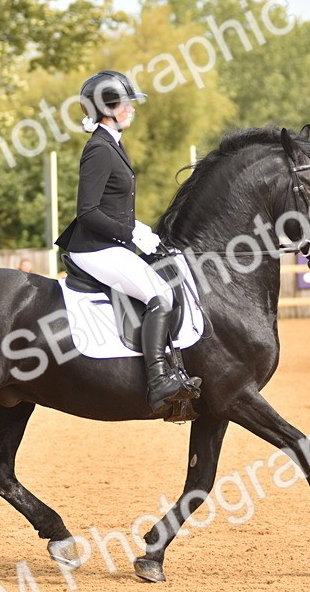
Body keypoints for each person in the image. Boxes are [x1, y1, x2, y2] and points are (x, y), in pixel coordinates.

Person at [54, 70, 201, 413]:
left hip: (111, 242)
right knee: (160, 296)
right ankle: (158, 381)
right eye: (126, 102)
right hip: (94, 247)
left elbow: (112, 205)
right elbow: (88, 211)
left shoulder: (113, 143)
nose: (133, 108)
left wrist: (138, 228)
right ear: (107, 108)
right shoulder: (99, 150)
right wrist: (129, 233)